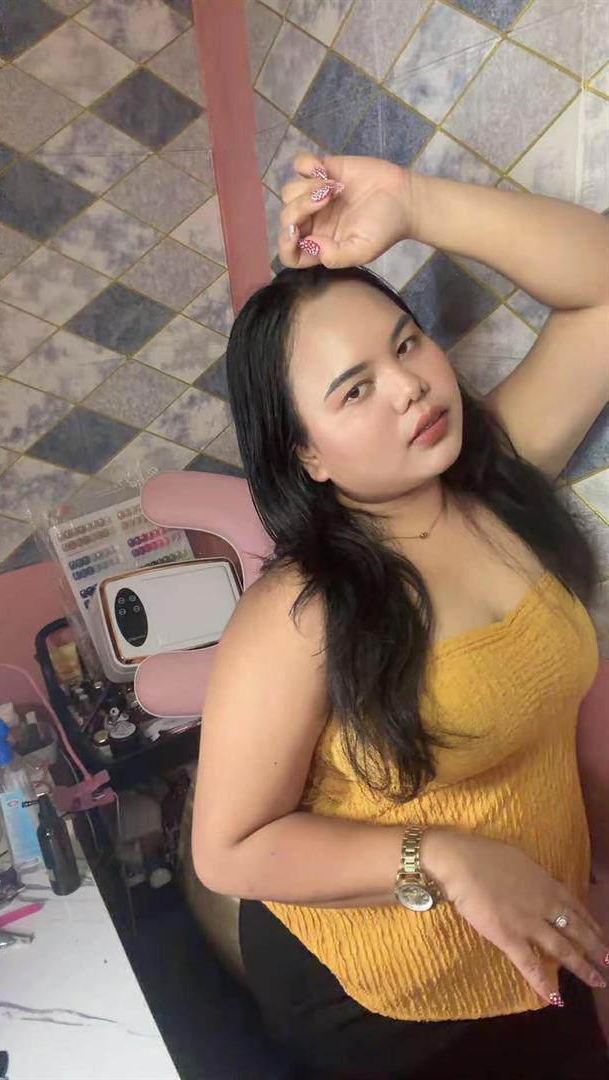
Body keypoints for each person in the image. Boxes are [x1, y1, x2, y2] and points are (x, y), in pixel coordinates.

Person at [192, 152, 609, 1079]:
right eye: (355, 389)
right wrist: (442, 857)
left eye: (407, 343)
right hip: (383, 1001)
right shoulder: (300, 611)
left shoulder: (500, 484)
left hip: (537, 939)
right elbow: (228, 851)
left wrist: (414, 203)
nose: (411, 386)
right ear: (307, 457)